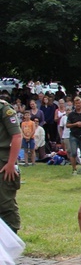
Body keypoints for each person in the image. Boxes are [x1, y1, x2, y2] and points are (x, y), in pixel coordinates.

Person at [0, 95, 22, 233]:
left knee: (5, 203)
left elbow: (17, 136)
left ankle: (12, 241)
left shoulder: (4, 109)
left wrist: (11, 163)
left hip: (2, 161)